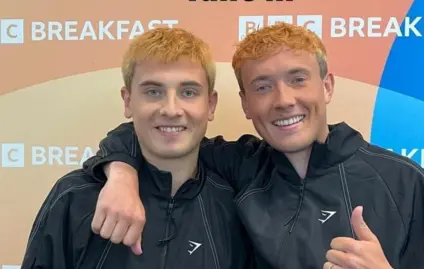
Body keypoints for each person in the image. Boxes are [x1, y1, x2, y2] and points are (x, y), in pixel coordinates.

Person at [82, 23, 424, 269]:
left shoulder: (401, 180)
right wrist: (120, 173)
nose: (284, 100)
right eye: (263, 86)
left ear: (328, 86)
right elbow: (160, 131)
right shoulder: (237, 166)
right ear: (246, 104)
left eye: (298, 79)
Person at [20, 27, 253, 269]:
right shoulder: (74, 198)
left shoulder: (235, 205)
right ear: (128, 101)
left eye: (188, 92)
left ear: (211, 104)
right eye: (153, 92)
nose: (171, 110)